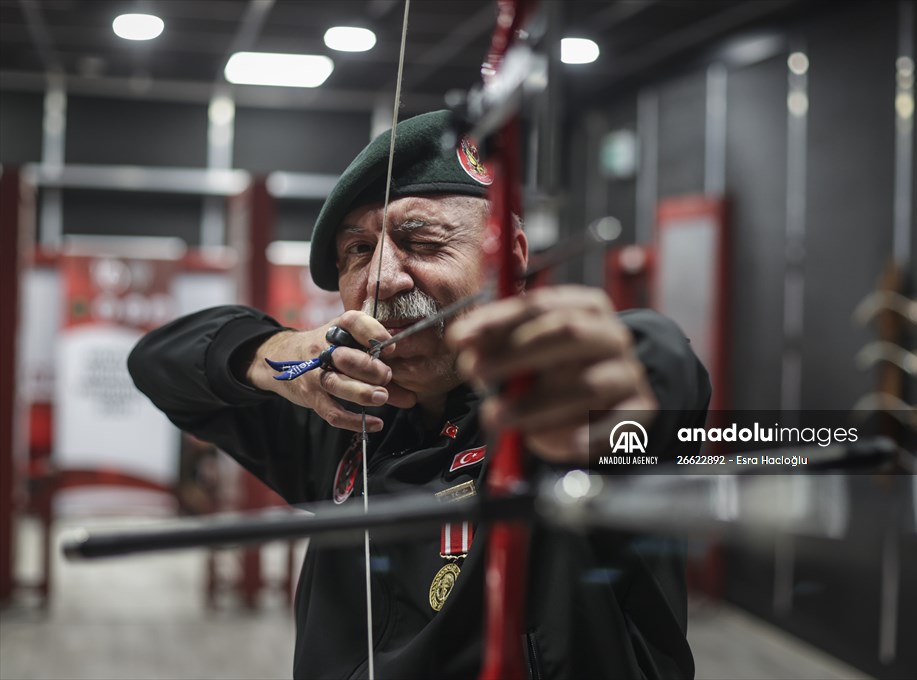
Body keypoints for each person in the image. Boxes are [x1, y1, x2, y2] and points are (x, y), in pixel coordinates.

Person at [129, 110, 710, 679]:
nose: (382, 278)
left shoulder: (555, 416)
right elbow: (157, 362)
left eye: (422, 240)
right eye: (357, 251)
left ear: (510, 257)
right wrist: (276, 356)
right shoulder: (346, 418)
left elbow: (657, 367)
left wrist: (628, 371)